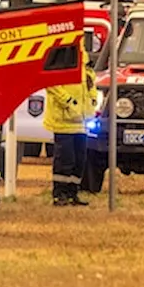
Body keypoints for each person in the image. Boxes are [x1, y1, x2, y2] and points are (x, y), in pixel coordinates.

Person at [44, 44, 98, 206]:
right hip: (63, 119)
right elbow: (51, 82)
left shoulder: (83, 57)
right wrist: (67, 101)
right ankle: (59, 194)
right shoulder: (62, 52)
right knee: (65, 159)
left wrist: (92, 101)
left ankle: (73, 193)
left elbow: (90, 82)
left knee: (79, 159)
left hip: (81, 120)